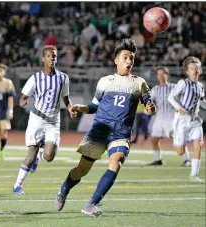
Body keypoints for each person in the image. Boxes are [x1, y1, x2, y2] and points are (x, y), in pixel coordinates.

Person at [54, 38, 156, 216]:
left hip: (121, 133)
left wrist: (151, 108)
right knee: (82, 170)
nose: (129, 61)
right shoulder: (105, 81)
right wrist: (80, 107)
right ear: (116, 60)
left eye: (132, 58)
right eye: (125, 57)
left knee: (116, 162)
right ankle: (64, 189)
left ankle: (91, 204)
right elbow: (93, 107)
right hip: (100, 130)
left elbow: (149, 105)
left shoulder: (140, 83)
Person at [12, 45, 77, 195]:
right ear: (43, 59)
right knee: (31, 154)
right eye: (48, 56)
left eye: (54, 56)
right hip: (37, 119)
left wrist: (70, 108)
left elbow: (65, 97)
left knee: (49, 156)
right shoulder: (35, 78)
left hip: (53, 121)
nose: (52, 58)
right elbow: (24, 96)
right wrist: (22, 101)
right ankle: (17, 185)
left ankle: (40, 157)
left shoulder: (63, 78)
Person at [168, 56, 206, 183]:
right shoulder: (183, 83)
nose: (195, 71)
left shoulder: (200, 86)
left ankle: (193, 175)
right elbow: (171, 97)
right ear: (187, 71)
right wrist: (179, 107)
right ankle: (175, 135)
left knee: (198, 145)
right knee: (180, 152)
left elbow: (202, 102)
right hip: (182, 120)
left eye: (197, 68)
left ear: (200, 70)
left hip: (195, 120)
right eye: (192, 69)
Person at [147, 67, 190, 166]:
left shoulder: (174, 87)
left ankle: (187, 160)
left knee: (177, 139)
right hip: (159, 118)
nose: (160, 76)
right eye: (158, 74)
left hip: (171, 118)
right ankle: (158, 160)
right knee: (154, 139)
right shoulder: (155, 89)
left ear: (167, 75)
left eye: (163, 74)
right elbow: (149, 100)